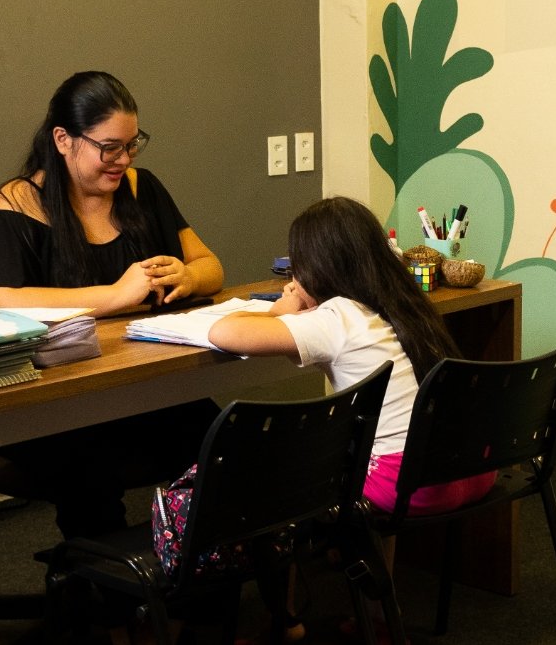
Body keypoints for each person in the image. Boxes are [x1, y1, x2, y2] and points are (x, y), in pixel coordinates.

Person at [0, 70, 225, 540]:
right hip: (51, 404)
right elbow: (2, 299)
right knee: (88, 469)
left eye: (131, 145)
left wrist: (187, 275)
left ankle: (198, 577)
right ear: (63, 139)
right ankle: (108, 596)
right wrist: (114, 297)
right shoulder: (20, 201)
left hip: (138, 386)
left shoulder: (141, 190)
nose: (122, 159)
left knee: (220, 435)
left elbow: (211, 266)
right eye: (109, 147)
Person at [208, 196, 495, 518]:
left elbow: (223, 332)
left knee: (285, 457)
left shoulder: (338, 317)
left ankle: (305, 558)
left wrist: (280, 312)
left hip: (407, 485)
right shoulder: (405, 302)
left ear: (314, 269)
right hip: (474, 466)